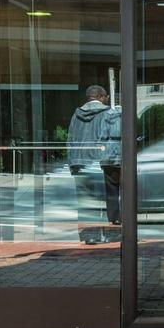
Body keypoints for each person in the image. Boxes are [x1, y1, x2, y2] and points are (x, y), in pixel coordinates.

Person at [67, 85, 115, 242]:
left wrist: (71, 162)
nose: (107, 99)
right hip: (99, 162)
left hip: (79, 163)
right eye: (106, 96)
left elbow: (70, 140)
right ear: (101, 96)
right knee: (101, 200)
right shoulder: (107, 113)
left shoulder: (76, 115)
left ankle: (86, 236)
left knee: (83, 201)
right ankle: (102, 235)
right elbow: (110, 139)